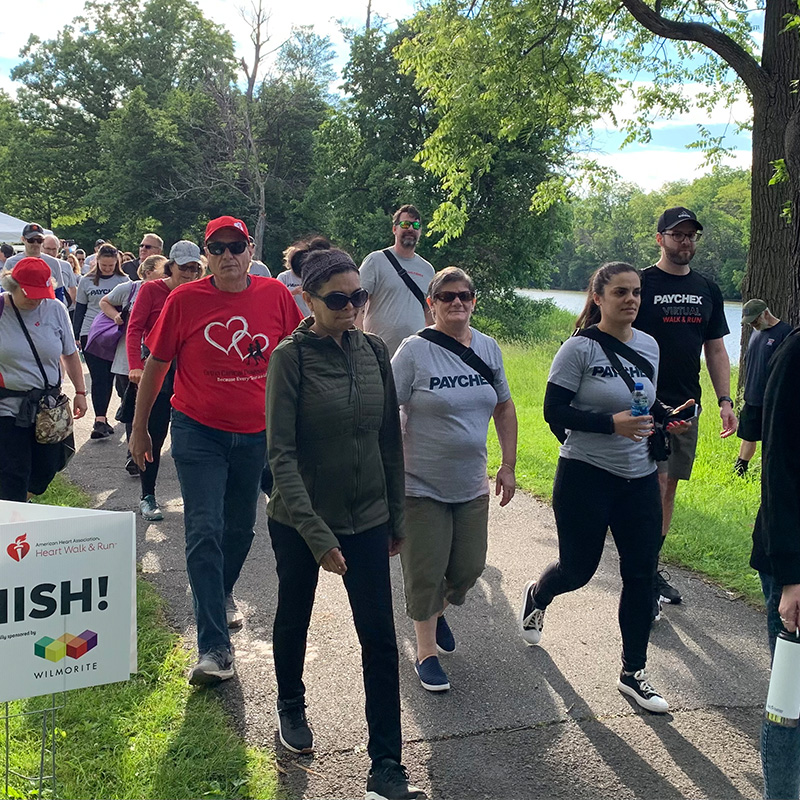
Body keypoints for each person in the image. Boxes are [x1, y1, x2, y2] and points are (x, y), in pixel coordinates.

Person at [265, 247, 426, 800]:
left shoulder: (375, 351)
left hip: (369, 518)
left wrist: (397, 514)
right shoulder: (291, 359)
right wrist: (315, 534)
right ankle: (290, 703)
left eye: (359, 297)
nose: (353, 307)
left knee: (380, 639)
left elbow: (387, 437)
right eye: (338, 299)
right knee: (295, 614)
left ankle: (387, 764)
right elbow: (280, 456)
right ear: (307, 299)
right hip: (300, 521)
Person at [129, 216, 302, 685]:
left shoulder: (277, 296)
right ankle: (213, 648)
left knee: (241, 530)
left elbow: (301, 354)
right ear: (206, 255)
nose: (228, 255)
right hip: (197, 430)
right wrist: (140, 427)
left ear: (250, 250)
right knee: (203, 529)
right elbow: (157, 364)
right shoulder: (185, 300)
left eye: (236, 246)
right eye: (218, 247)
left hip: (256, 434)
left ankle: (219, 592)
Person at [520, 262, 694, 714]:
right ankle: (538, 595)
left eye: (636, 292)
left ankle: (633, 672)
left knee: (640, 574)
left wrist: (664, 415)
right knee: (578, 569)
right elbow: (553, 411)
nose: (631, 300)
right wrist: (608, 425)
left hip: (638, 480)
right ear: (598, 297)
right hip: (585, 475)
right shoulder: (578, 349)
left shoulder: (650, 346)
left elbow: (641, 398)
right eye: (621, 292)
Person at [391, 266, 517, 692]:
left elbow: (503, 406)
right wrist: (386, 473)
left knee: (468, 568)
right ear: (432, 304)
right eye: (446, 296)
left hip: (470, 484)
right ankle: (426, 653)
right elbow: (388, 411)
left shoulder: (487, 347)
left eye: (464, 295)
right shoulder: (413, 351)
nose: (456, 302)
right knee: (425, 571)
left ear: (474, 300)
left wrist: (509, 464)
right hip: (419, 484)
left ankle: (437, 609)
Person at [633, 206, 737, 611]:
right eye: (677, 235)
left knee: (666, 486)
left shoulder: (707, 289)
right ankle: (639, 568)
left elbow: (715, 349)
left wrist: (726, 400)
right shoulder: (639, 283)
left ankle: (648, 567)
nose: (685, 242)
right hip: (638, 402)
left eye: (691, 235)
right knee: (642, 486)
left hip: (683, 405)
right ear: (660, 238)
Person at [749, 325, 800, 799]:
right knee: (793, 696)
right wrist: (791, 578)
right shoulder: (795, 353)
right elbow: (779, 470)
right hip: (794, 560)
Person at [124, 243, 203, 521]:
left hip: (190, 368)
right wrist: (134, 366)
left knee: (192, 435)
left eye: (195, 268)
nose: (190, 273)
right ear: (171, 266)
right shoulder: (151, 289)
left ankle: (197, 499)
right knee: (153, 433)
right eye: (184, 267)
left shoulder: (199, 292)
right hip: (156, 365)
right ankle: (147, 495)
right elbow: (134, 329)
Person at [0, 258, 87, 501]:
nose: (36, 299)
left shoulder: (55, 308)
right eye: (29, 293)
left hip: (48, 407)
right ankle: (12, 523)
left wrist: (80, 392)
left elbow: (70, 352)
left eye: (41, 293)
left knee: (49, 466)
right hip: (7, 408)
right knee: (13, 472)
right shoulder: (0, 309)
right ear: (11, 285)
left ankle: (21, 502)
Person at [99, 254, 167, 478]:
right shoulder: (129, 288)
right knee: (132, 405)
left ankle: (148, 450)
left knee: (156, 408)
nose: (167, 275)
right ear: (149, 272)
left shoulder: (168, 292)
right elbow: (105, 301)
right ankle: (133, 453)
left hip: (156, 361)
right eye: (163, 270)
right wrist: (116, 316)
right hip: (128, 360)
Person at [359, 205, 435, 355]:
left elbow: (430, 314)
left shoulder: (428, 269)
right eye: (405, 224)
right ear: (394, 229)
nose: (411, 229)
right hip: (378, 353)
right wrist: (361, 342)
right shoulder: (375, 261)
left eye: (416, 225)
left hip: (416, 354)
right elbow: (356, 304)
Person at [73, 244, 130, 440]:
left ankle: (122, 410)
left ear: (117, 263)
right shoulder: (87, 281)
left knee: (115, 377)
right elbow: (80, 309)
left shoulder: (124, 281)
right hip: (91, 334)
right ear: (97, 262)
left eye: (111, 265)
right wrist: (76, 335)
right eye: (104, 265)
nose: (107, 269)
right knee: (99, 378)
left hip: (115, 334)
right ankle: (100, 419)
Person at [733, 299, 792, 477]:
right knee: (748, 434)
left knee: (771, 438)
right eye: (749, 322)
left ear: (765, 313)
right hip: (752, 394)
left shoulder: (785, 333)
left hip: (772, 398)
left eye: (754, 320)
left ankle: (769, 471)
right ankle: (740, 469)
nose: (752, 324)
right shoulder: (756, 332)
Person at [5, 224, 66, 305]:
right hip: (20, 310)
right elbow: (5, 291)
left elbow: (59, 291)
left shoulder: (53, 262)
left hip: (46, 311)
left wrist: (56, 311)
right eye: (31, 240)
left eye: (39, 240)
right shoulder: (11, 262)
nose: (36, 243)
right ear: (23, 239)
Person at [276, 237, 331, 318]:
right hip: (290, 317)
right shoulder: (283, 277)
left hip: (309, 316)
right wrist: (293, 292)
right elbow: (278, 298)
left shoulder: (311, 275)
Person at [42, 233, 78, 307]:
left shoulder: (65, 265)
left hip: (60, 306)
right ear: (41, 247)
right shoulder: (34, 264)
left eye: (54, 249)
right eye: (48, 249)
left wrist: (69, 306)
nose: (51, 252)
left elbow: (72, 287)